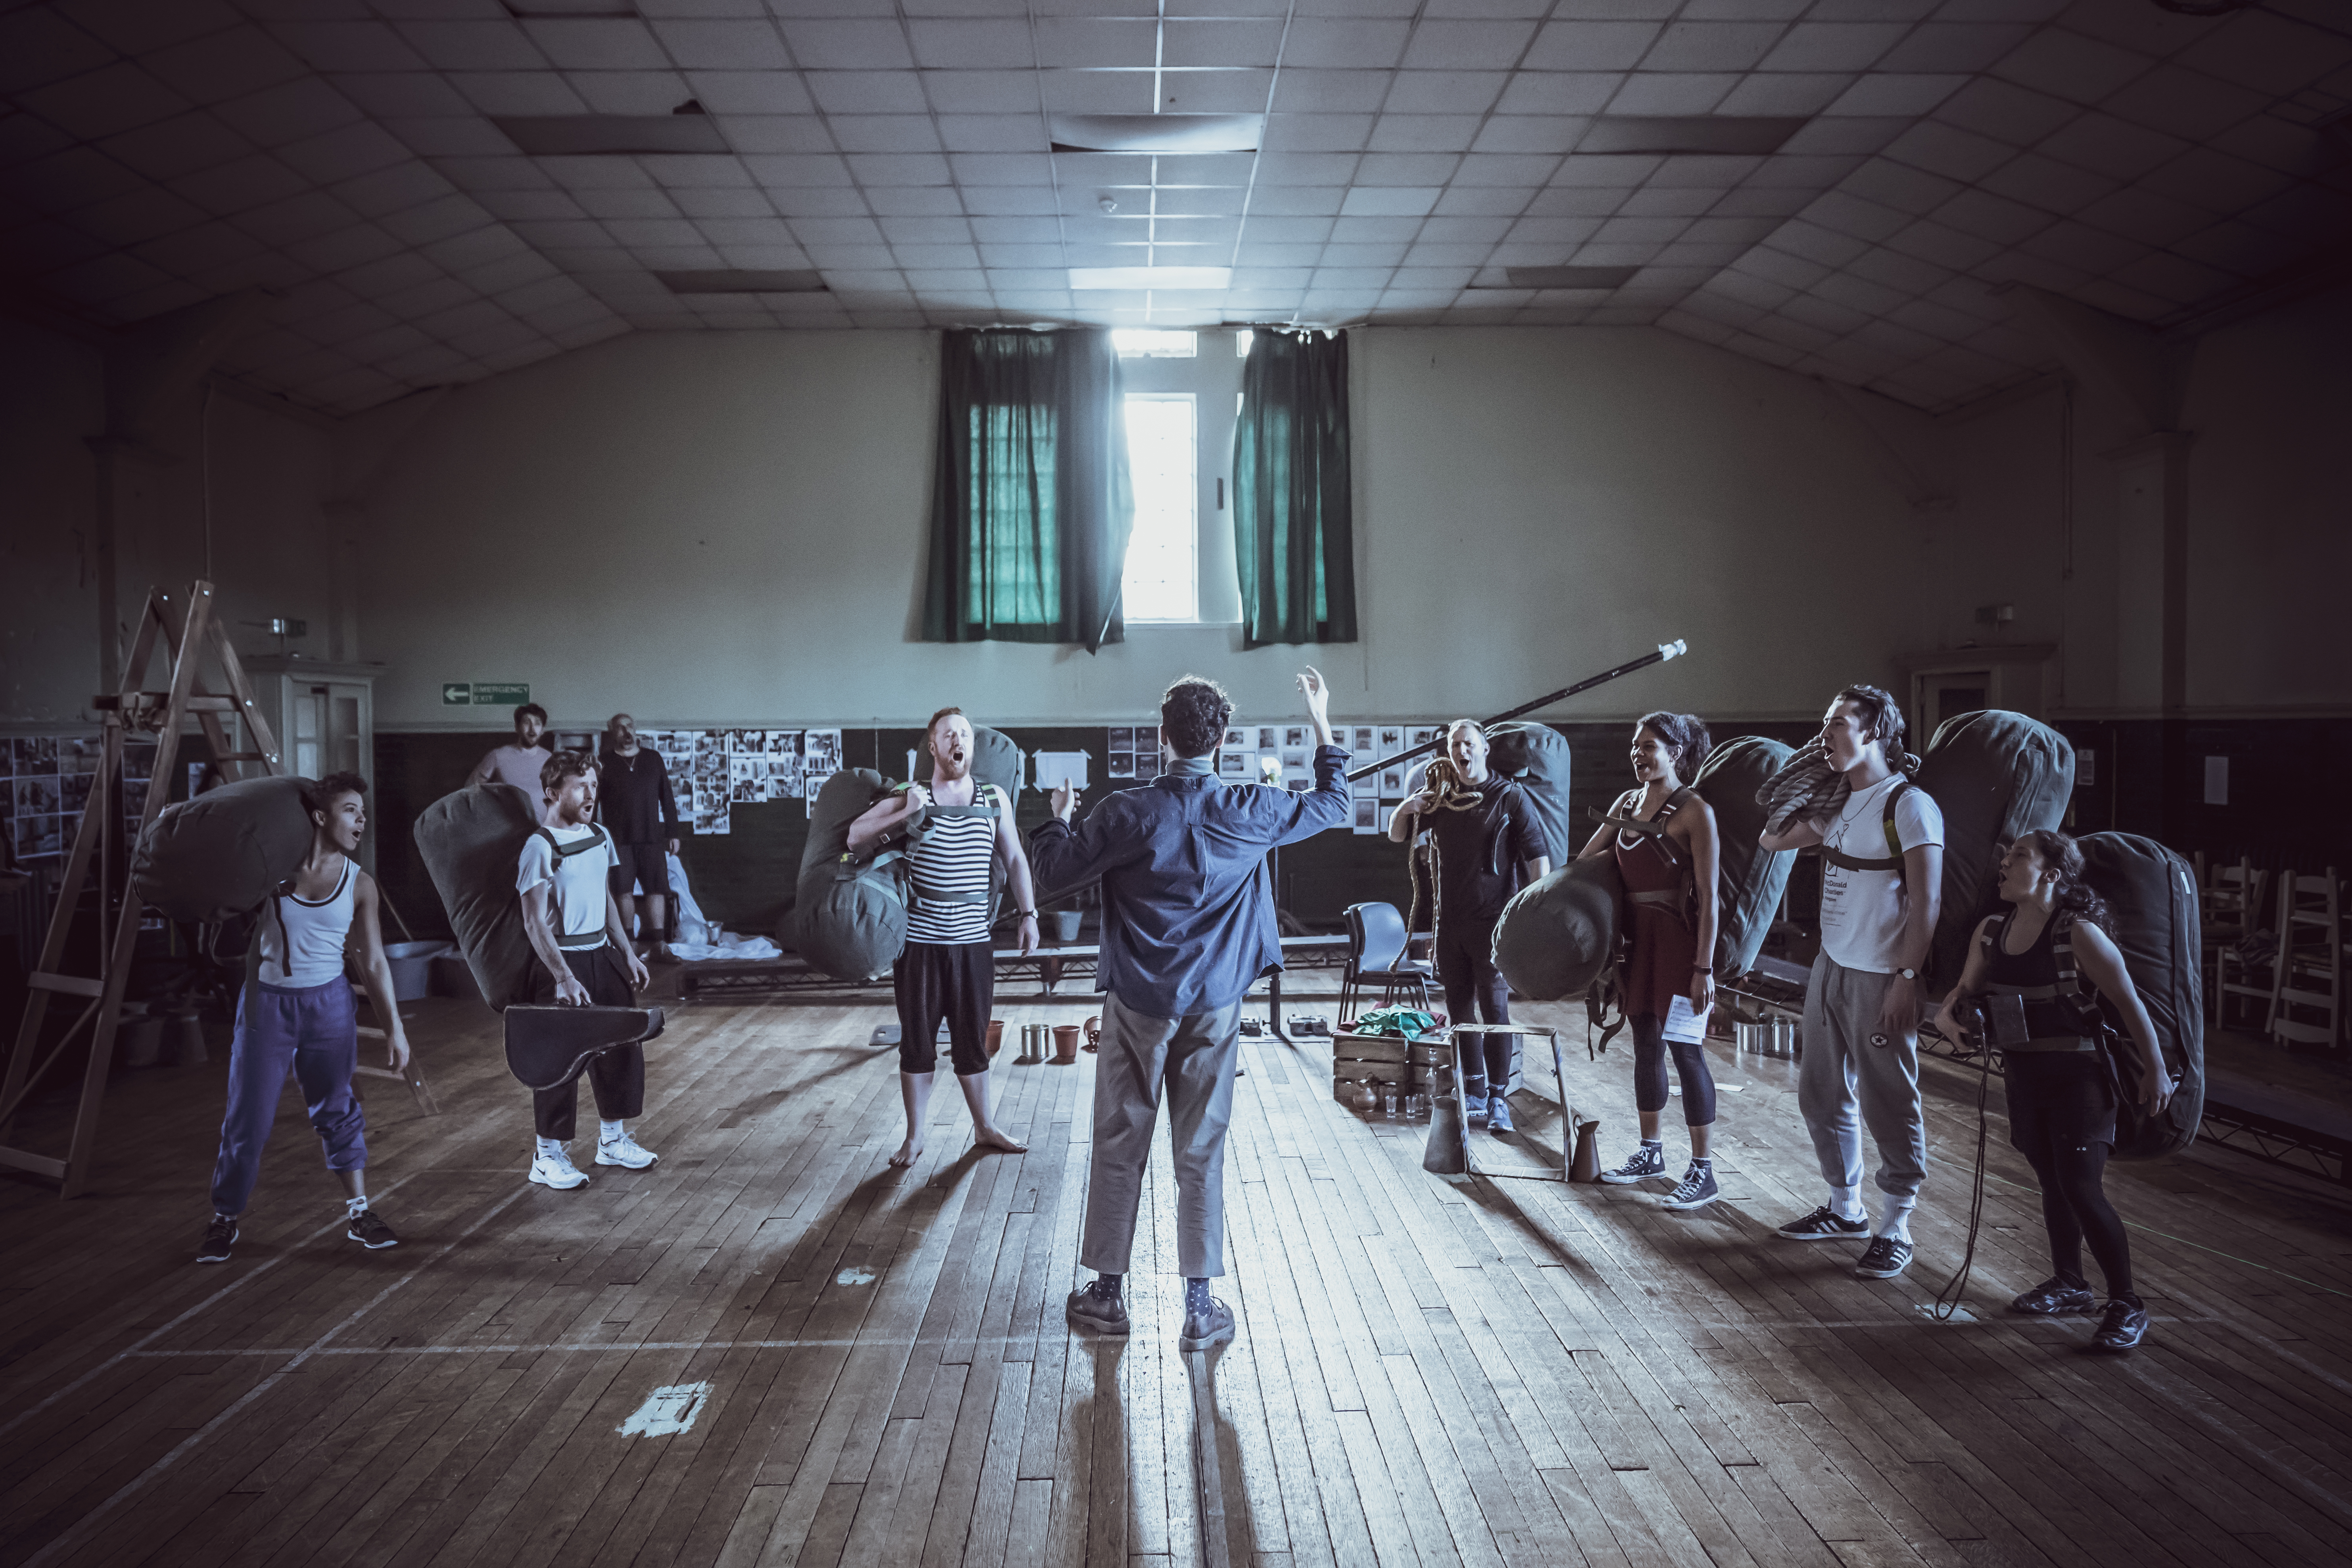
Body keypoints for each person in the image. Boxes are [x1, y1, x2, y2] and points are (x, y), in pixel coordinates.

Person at [1033, 669, 1347, 1354]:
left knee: (1121, 1140)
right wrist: (1320, 720)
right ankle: (1200, 1306)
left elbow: (1054, 872)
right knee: (1200, 1148)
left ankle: (1108, 1295)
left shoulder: (1127, 810)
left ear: (1161, 737)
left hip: (1139, 1002)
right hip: (1215, 1002)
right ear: (1223, 740)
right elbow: (1334, 803)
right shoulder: (1251, 806)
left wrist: (1058, 813)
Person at [1932, 830, 2172, 1352]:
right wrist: (1948, 1014)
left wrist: (2155, 1068)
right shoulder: (1991, 930)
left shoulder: (2078, 933)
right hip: (2023, 1076)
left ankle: (2126, 1303)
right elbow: (1962, 993)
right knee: (2052, 1181)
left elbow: (2131, 1004)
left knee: (2081, 1186)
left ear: (2050, 874)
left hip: (2079, 1078)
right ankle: (2069, 1283)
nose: (2004, 862)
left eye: (2019, 855)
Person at [1759, 685, 1943, 1280]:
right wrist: (1817, 767)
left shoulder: (1909, 806)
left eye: (1837, 723)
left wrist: (1905, 979)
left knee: (1887, 1097)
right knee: (1819, 1092)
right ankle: (1845, 1209)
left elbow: (1927, 902)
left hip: (1881, 971)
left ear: (1874, 731)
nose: (1825, 733)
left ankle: (1896, 1225)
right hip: (1831, 964)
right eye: (1823, 722)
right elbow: (1771, 839)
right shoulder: (1841, 802)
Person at [197, 773, 409, 1263]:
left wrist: (395, 1027)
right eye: (350, 810)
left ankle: (360, 1212)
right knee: (247, 1117)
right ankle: (224, 1218)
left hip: (329, 1005)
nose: (361, 819)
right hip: (266, 1005)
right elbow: (215, 894)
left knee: (338, 1109)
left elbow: (374, 961)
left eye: (362, 811)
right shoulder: (272, 872)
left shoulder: (362, 884)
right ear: (320, 816)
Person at [846, 707, 1040, 1171]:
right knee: (919, 1041)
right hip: (920, 944)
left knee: (973, 1040)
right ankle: (914, 1138)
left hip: (973, 943)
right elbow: (854, 837)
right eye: (948, 734)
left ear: (971, 746)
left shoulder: (994, 798)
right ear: (931, 747)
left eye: (965, 734)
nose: (959, 740)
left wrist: (1029, 914)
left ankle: (985, 1126)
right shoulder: (909, 794)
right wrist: (908, 812)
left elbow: (1014, 860)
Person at [1581, 713, 1723, 1209]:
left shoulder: (1694, 811)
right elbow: (1582, 864)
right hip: (1637, 944)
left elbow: (1710, 896)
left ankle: (1703, 1170)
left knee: (1686, 1052)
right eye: (1634, 747)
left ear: (1676, 752)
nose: (1638, 755)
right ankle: (1651, 1152)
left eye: (1649, 746)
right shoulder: (1625, 804)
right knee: (1645, 1045)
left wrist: (1703, 969)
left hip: (1681, 946)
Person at [1387, 720, 1549, 1133]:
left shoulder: (1510, 796)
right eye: (1455, 744)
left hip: (1494, 924)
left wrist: (1532, 912)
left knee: (1494, 1009)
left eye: (1469, 743)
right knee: (1459, 1011)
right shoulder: (1442, 799)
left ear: (1484, 749)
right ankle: (1474, 1092)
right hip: (1450, 925)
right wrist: (1407, 806)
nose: (1462, 750)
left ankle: (1498, 1098)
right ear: (1448, 751)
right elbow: (1396, 835)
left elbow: (1537, 856)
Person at [517, 749, 656, 1190]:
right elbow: (533, 921)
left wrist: (628, 952)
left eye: (594, 784)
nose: (591, 793)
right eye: (581, 785)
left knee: (620, 1047)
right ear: (552, 792)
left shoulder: (599, 834)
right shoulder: (539, 848)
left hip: (602, 956)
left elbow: (607, 899)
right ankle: (547, 1155)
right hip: (560, 964)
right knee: (559, 1062)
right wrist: (562, 976)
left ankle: (612, 1142)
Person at [596, 712, 681, 960]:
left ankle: (659, 946)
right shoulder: (604, 763)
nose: (626, 732)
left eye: (630, 726)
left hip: (652, 836)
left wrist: (673, 833)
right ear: (612, 732)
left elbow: (667, 797)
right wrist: (590, 835)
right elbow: (593, 802)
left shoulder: (653, 759)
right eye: (620, 728)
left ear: (636, 729)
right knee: (623, 890)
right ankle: (629, 945)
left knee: (656, 889)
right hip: (618, 839)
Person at [470, 702, 552, 793]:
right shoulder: (498, 756)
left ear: (543, 730)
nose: (532, 729)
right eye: (527, 723)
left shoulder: (550, 759)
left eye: (537, 723)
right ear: (517, 727)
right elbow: (471, 789)